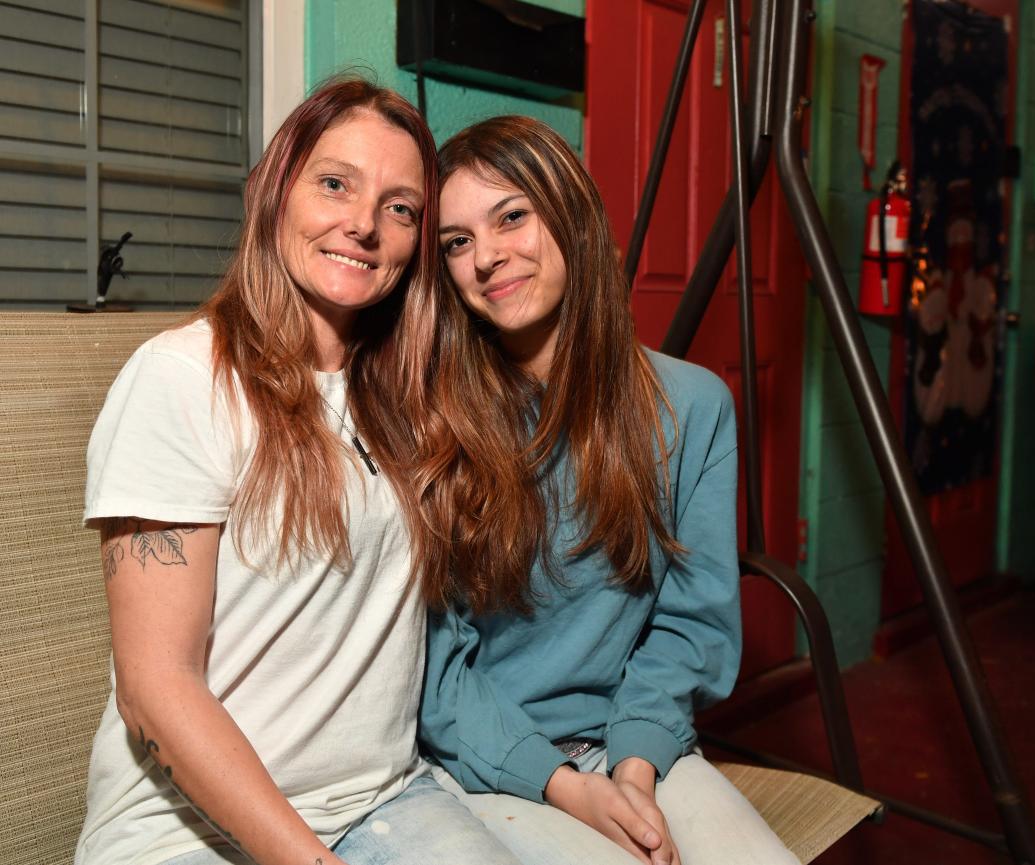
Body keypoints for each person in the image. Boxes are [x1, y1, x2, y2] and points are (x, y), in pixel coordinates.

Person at [74, 79, 520, 865]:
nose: (363, 223)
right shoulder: (181, 378)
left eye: (400, 208)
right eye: (335, 183)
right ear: (277, 190)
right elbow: (155, 690)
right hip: (185, 827)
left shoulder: (408, 398)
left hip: (381, 800)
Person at [416, 115, 798, 865]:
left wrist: (635, 767)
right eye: (457, 242)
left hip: (631, 738)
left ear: (571, 216)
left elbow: (694, 621)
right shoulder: (432, 418)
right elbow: (434, 670)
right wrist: (567, 787)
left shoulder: (691, 406)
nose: (487, 257)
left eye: (512, 216)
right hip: (485, 761)